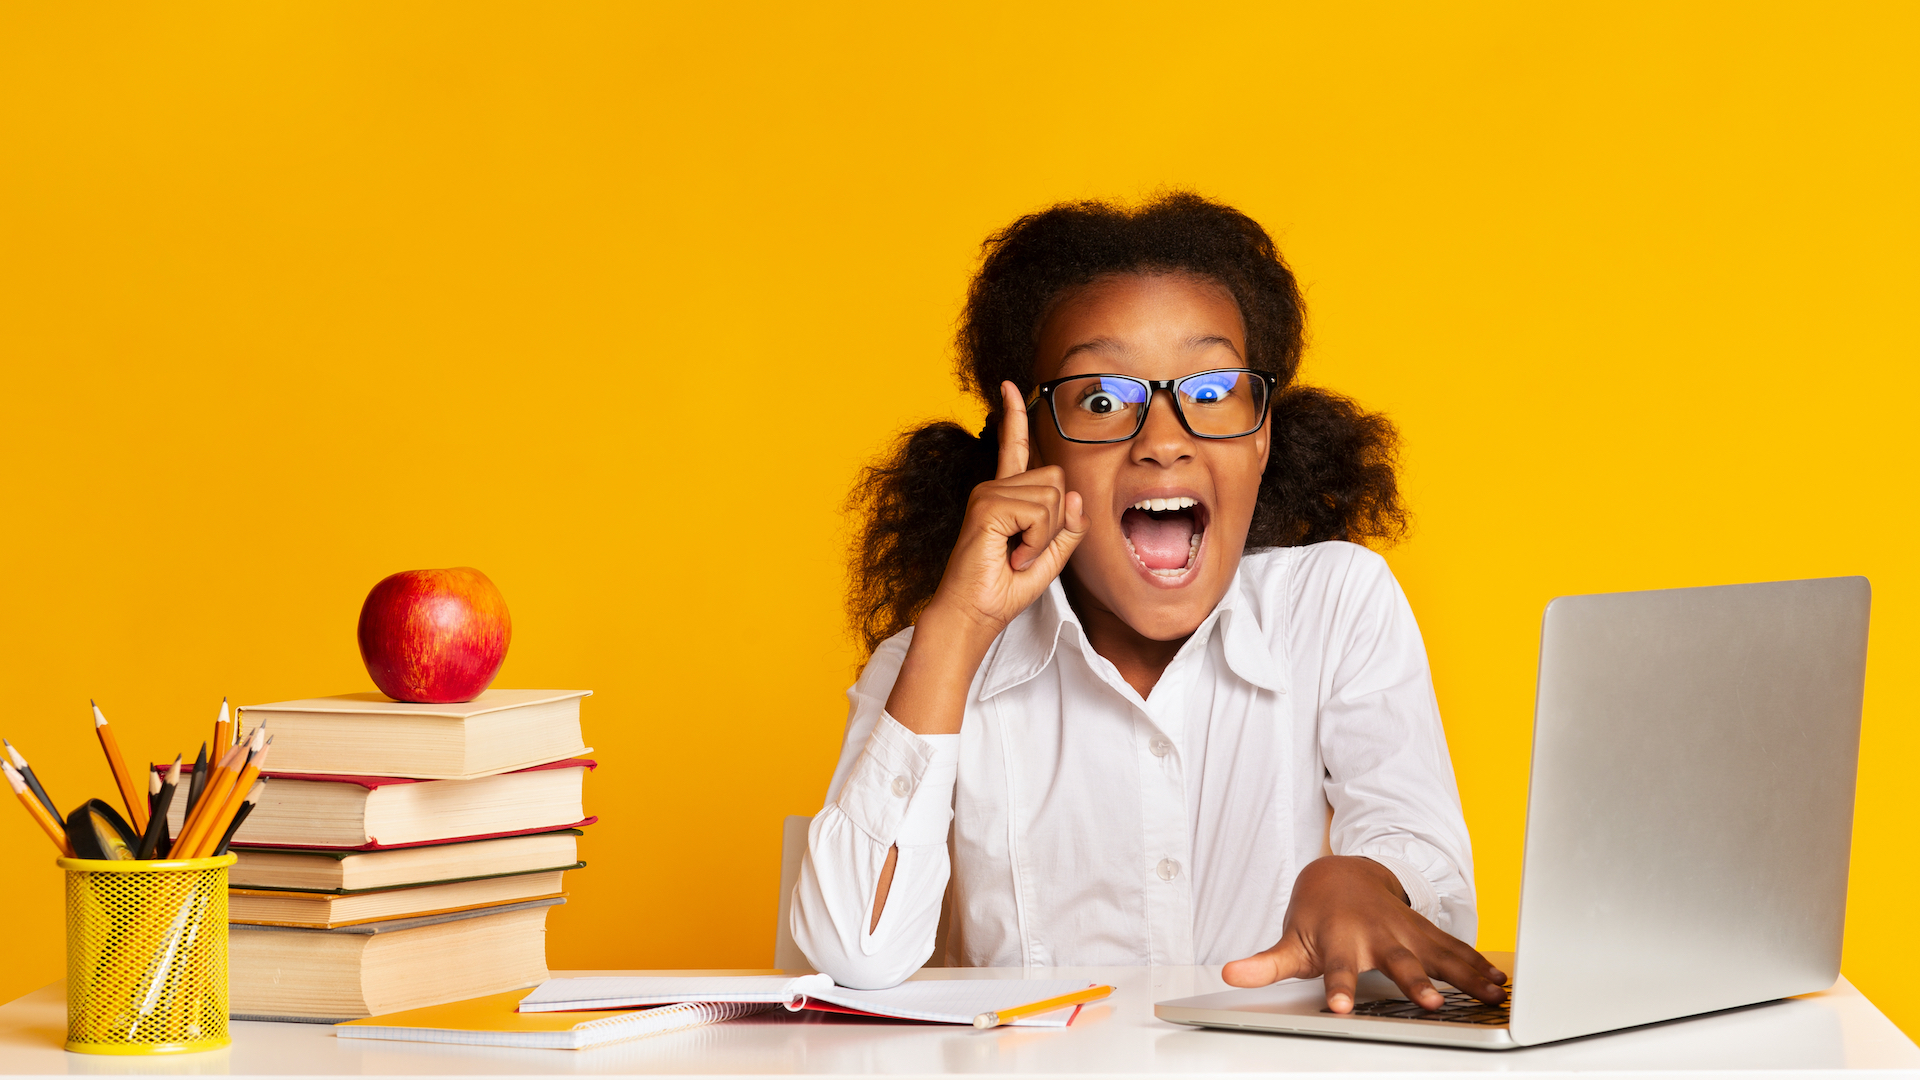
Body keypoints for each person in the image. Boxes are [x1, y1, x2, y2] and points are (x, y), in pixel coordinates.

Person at [790, 193, 1508, 1015]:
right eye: (1101, 400)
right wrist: (957, 625)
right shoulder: (934, 666)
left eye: (1211, 391)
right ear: (1026, 447)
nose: (1164, 438)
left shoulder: (1334, 604)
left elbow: (1438, 893)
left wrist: (1365, 880)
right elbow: (856, 955)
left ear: (1263, 432)